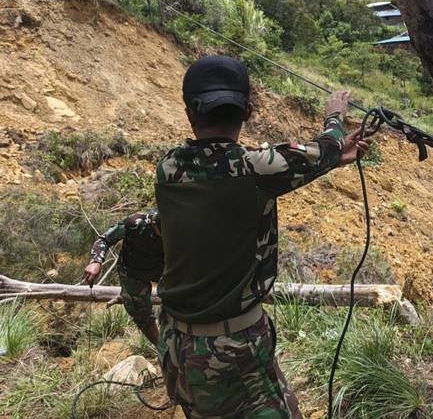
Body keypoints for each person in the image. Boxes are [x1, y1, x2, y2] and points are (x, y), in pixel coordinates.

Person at [154, 55, 368, 419]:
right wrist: (334, 115)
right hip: (231, 349)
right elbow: (324, 148)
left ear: (190, 112)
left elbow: (315, 157)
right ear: (247, 112)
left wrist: (332, 155)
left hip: (175, 343)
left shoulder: (168, 168)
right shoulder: (255, 169)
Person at [83, 209, 162, 345]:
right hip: (132, 270)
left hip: (165, 268)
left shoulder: (181, 227)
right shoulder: (136, 223)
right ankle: (162, 350)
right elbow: (104, 240)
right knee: (140, 312)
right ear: (153, 224)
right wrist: (96, 261)